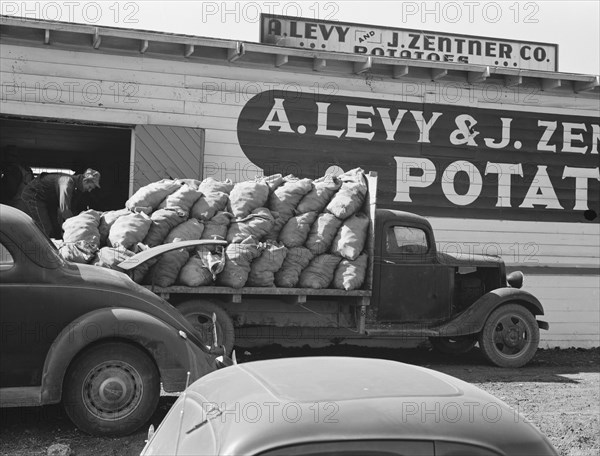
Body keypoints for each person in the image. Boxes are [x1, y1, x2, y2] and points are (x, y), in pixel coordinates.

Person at [18, 168, 101, 238]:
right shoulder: (67, 182)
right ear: (85, 181)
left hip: (49, 199)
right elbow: (65, 209)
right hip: (35, 195)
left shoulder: (77, 189)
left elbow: (71, 208)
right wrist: (76, 226)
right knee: (46, 228)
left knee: (56, 228)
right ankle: (45, 252)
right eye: (90, 187)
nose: (89, 190)